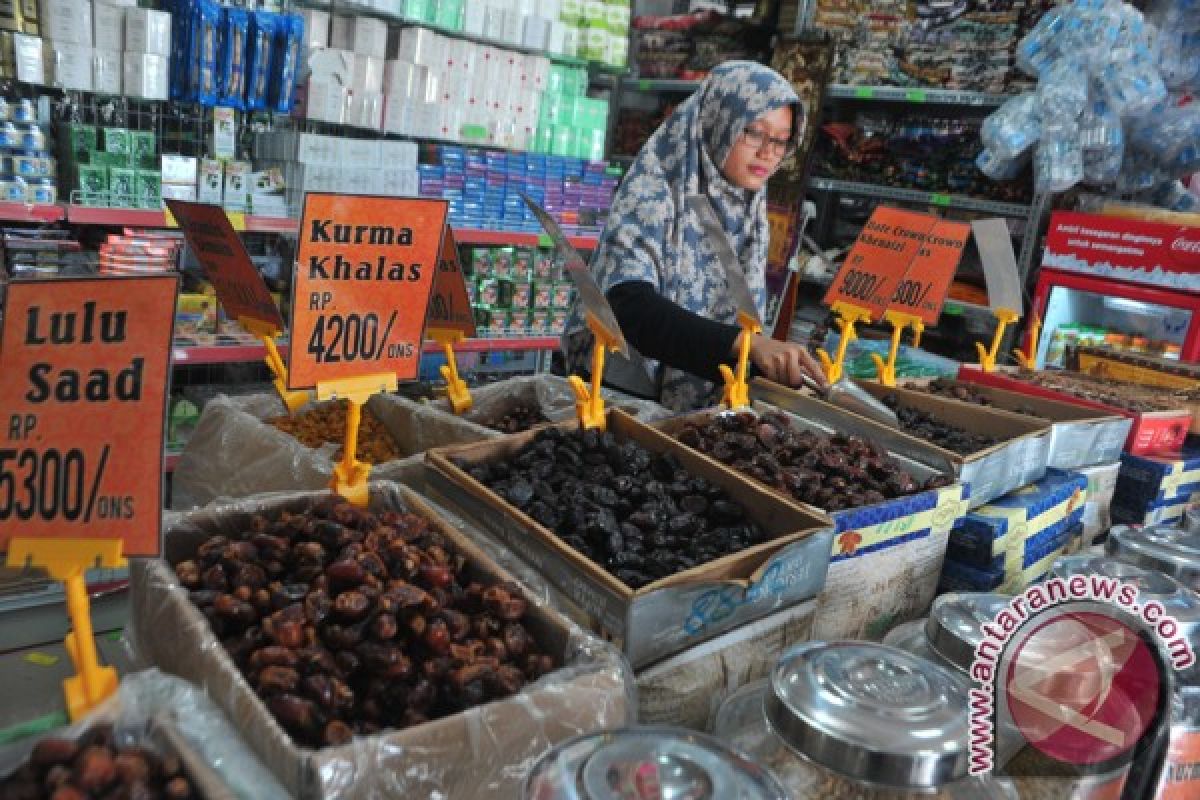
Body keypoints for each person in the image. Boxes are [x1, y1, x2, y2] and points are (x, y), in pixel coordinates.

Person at [562, 60, 829, 412]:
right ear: (719, 121)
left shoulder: (748, 203)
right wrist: (746, 345)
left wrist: (760, 355)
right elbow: (627, 305)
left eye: (781, 141)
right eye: (753, 132)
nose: (768, 152)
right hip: (619, 393)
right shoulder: (655, 187)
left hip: (695, 399)